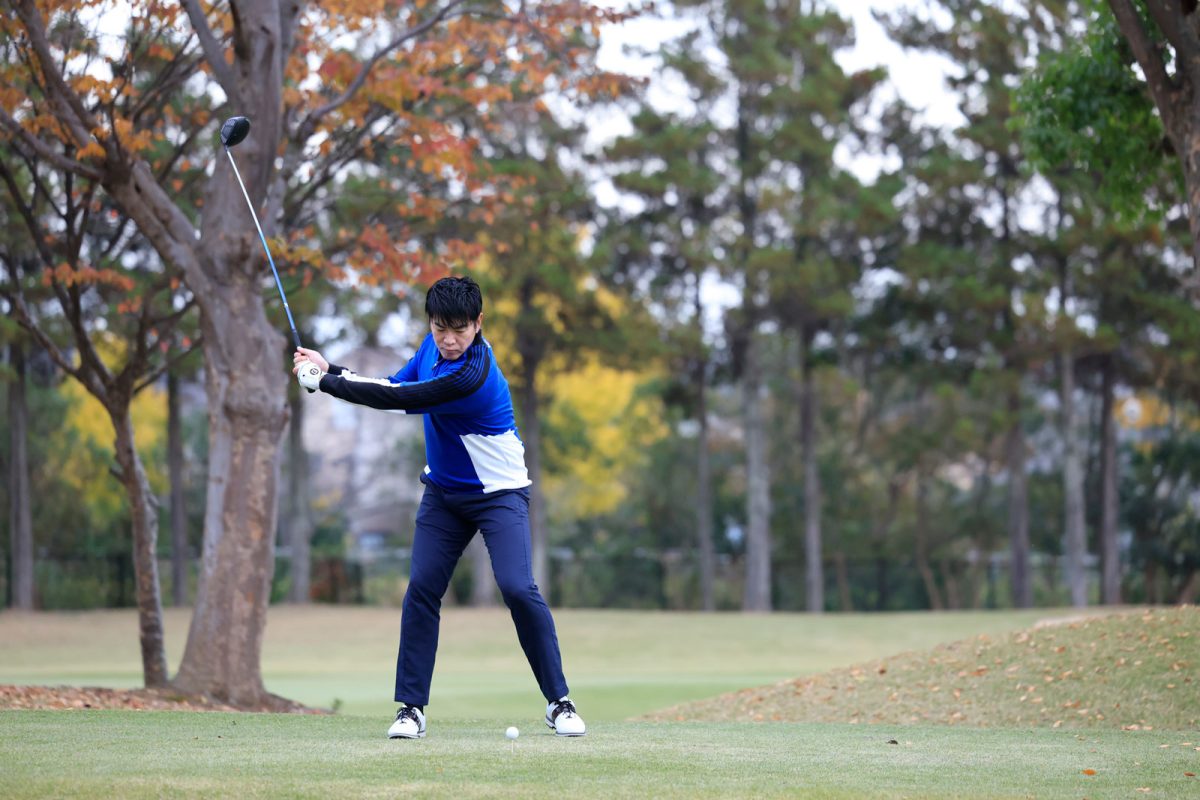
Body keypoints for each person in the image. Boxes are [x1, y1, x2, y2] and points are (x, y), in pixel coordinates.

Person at [292, 275, 586, 739]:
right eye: (439, 328)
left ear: (478, 323)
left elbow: (401, 399)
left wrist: (326, 383)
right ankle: (411, 709)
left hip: (499, 495)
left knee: (516, 586)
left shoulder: (471, 374)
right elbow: (391, 384)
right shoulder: (431, 351)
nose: (448, 340)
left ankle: (559, 701)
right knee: (422, 589)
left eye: (459, 329)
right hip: (445, 495)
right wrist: (333, 369)